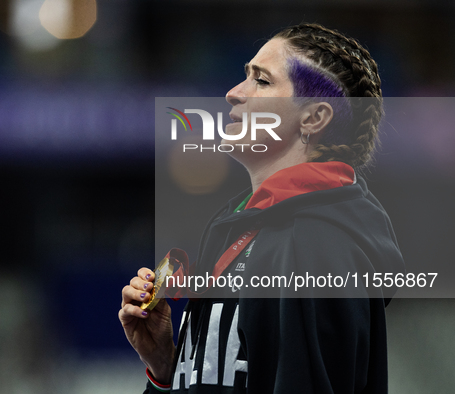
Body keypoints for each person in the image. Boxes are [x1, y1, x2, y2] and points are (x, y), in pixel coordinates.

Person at [119, 23, 405, 394]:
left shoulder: (316, 241)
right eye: (245, 76)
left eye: (263, 81)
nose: (234, 93)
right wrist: (167, 368)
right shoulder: (238, 225)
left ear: (314, 118)